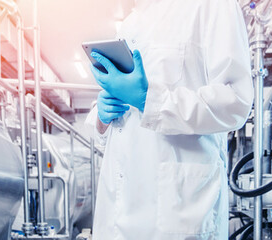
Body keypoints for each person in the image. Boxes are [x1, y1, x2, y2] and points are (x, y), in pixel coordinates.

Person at [85, 0, 253, 238]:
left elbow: (235, 101)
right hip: (117, 212)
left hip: (176, 211)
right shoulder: (130, 23)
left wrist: (149, 100)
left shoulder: (213, 6)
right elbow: (126, 127)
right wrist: (103, 116)